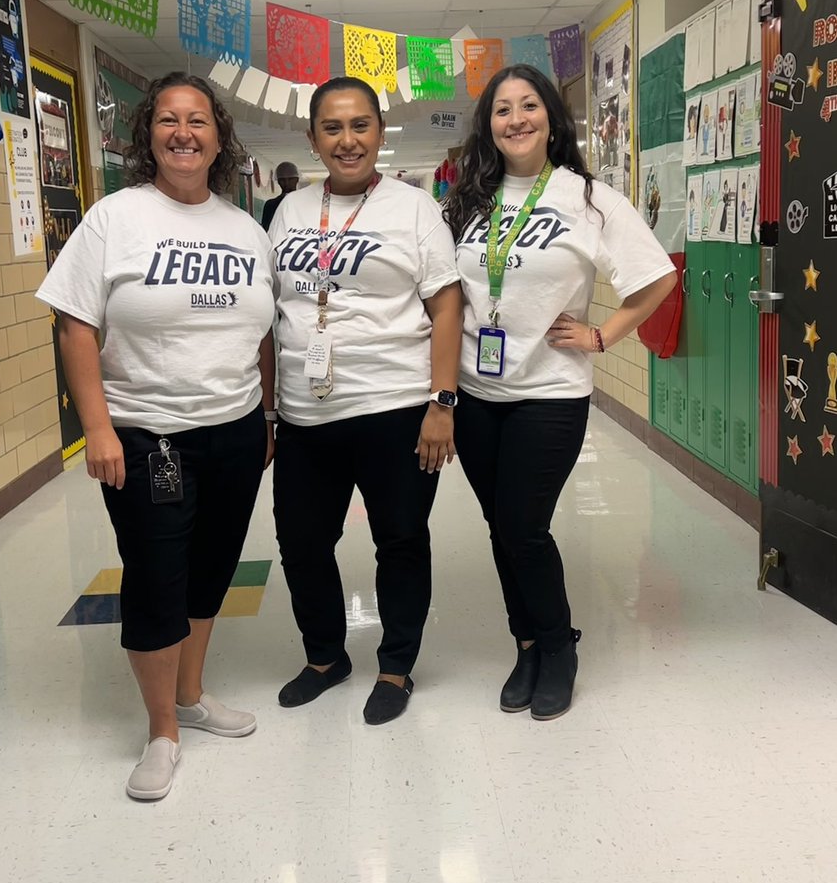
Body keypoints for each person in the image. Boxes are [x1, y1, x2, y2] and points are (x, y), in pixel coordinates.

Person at [36, 72, 276, 801]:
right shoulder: (114, 218)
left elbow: (264, 333)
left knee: (211, 572)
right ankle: (161, 729)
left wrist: (264, 416)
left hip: (233, 429)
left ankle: (193, 697)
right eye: (168, 120)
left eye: (197, 120)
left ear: (217, 137)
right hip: (145, 435)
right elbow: (76, 324)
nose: (183, 132)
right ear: (148, 135)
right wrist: (98, 427)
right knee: (154, 579)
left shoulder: (243, 228)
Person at [443, 64, 676, 721]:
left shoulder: (586, 197)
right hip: (474, 390)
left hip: (548, 392)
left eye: (527, 106)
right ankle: (526, 645)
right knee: (500, 528)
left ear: (550, 118)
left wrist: (603, 335)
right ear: (487, 125)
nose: (514, 119)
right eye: (501, 110)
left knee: (523, 526)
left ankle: (557, 645)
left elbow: (655, 278)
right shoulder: (469, 200)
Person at [268, 76, 462, 725]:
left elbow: (445, 305)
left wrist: (442, 403)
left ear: (377, 132)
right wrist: (270, 410)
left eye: (359, 126)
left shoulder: (413, 208)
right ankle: (325, 656)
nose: (346, 140)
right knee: (300, 542)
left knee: (400, 540)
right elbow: (273, 310)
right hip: (305, 411)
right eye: (332, 127)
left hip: (394, 406)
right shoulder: (290, 210)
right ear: (313, 138)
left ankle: (396, 666)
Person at [261, 160, 300, 231]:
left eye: (290, 179)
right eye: (282, 180)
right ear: (278, 181)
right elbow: (266, 230)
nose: (286, 183)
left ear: (297, 179)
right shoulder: (270, 205)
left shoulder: (304, 203)